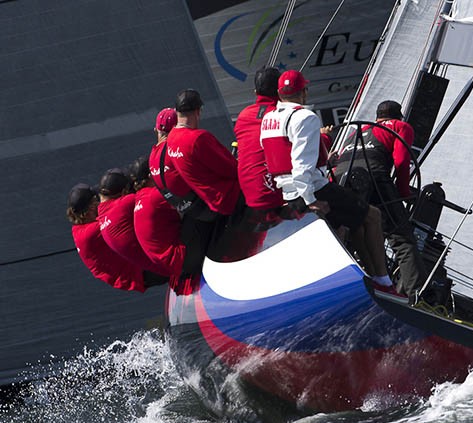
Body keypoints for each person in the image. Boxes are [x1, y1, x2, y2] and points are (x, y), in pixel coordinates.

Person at [260, 70, 396, 292]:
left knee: (356, 221)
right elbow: (301, 164)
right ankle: (384, 281)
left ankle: (370, 278)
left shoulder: (268, 119)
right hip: (313, 188)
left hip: (286, 192)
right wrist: (311, 199)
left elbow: (276, 154)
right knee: (373, 216)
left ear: (278, 93)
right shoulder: (306, 117)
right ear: (304, 92)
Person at [332, 100, 428, 299]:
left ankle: (347, 284)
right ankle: (417, 297)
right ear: (398, 116)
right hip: (375, 176)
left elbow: (337, 165)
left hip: (344, 180)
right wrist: (403, 193)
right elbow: (401, 161)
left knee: (351, 233)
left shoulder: (354, 133)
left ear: (377, 117)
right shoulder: (400, 127)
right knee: (402, 239)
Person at [159, 89, 242, 261]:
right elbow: (233, 169)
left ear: (176, 112)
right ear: (198, 111)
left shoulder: (172, 138)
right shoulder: (199, 138)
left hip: (212, 203)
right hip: (230, 197)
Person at [67, 183, 149, 292]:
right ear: (91, 208)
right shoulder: (90, 233)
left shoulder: (79, 229)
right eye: (97, 201)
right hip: (136, 274)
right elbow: (119, 213)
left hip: (134, 270)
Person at [96, 168, 170, 281]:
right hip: (168, 262)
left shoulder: (101, 218)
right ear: (124, 191)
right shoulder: (124, 204)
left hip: (156, 268)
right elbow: (157, 195)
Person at [234, 66, 284, 210]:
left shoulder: (243, 116)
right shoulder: (282, 114)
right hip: (274, 197)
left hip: (249, 195)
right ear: (279, 91)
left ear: (255, 92)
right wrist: (325, 137)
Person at [132, 153, 187, 278]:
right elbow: (189, 195)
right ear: (151, 175)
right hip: (179, 258)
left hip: (168, 263)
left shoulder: (140, 197)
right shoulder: (154, 196)